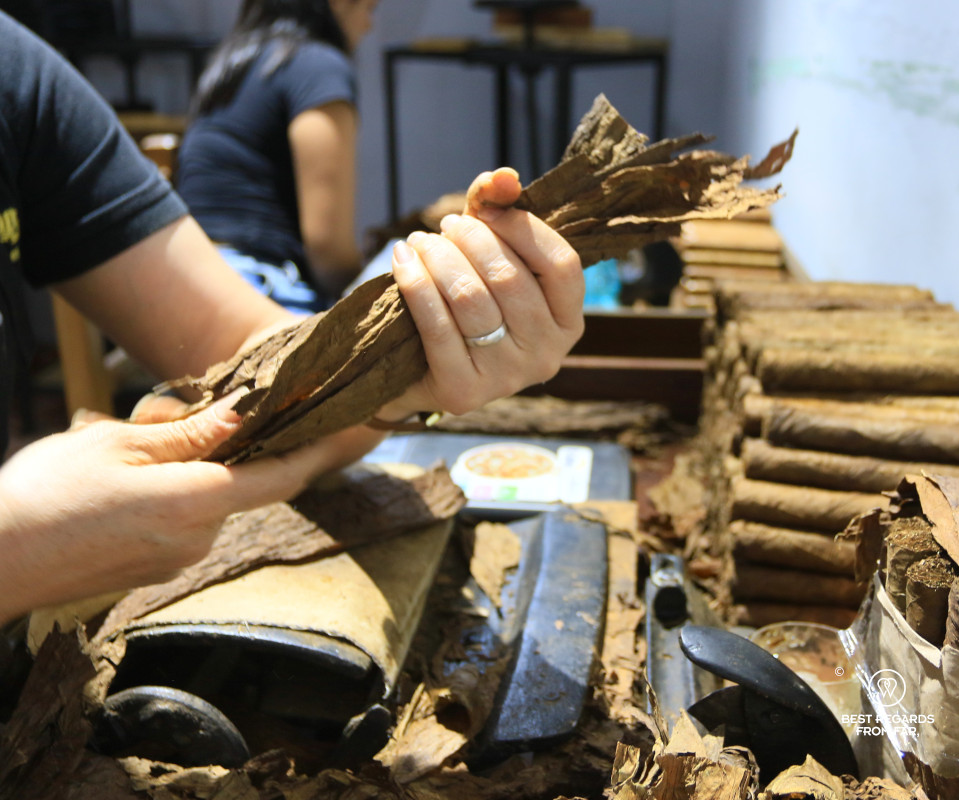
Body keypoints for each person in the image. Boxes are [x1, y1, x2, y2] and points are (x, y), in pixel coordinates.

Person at [0, 11, 584, 626]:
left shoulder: (24, 79)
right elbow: (327, 245)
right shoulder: (318, 66)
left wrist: (399, 376)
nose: (376, 11)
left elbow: (246, 348)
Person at [174, 0, 377, 314]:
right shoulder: (319, 66)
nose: (369, 25)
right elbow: (328, 249)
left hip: (188, 282)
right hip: (259, 289)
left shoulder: (230, 66)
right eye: (370, 8)